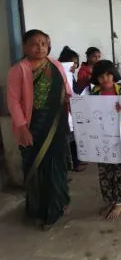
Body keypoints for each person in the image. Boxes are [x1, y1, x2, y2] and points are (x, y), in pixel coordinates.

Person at [7, 29, 72, 230]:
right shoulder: (18, 70)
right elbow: (13, 102)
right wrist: (22, 128)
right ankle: (38, 209)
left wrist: (71, 103)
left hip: (57, 124)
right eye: (35, 44)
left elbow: (67, 90)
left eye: (44, 43)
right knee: (36, 168)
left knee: (56, 165)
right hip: (32, 126)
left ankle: (56, 207)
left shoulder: (56, 65)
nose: (40, 47)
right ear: (25, 47)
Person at [90, 60, 121, 220]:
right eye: (101, 76)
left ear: (114, 74)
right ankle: (109, 200)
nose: (105, 78)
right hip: (101, 139)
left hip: (119, 139)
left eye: (108, 74)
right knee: (104, 173)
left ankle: (119, 202)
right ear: (96, 78)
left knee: (118, 172)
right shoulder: (93, 94)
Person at [58, 46, 87, 173]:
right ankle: (72, 164)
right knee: (68, 140)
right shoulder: (60, 75)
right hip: (64, 113)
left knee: (75, 138)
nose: (74, 65)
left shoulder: (71, 76)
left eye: (76, 62)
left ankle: (77, 161)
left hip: (73, 110)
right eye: (72, 62)